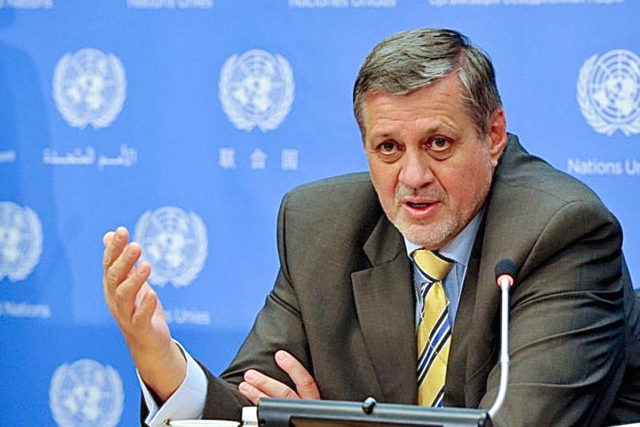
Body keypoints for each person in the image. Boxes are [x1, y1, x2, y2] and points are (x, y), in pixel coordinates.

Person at [102, 28, 640, 426]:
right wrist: (163, 362)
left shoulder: (561, 232)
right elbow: (251, 408)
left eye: (438, 143)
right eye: (388, 148)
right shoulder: (320, 228)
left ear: (493, 134)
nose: (413, 176)